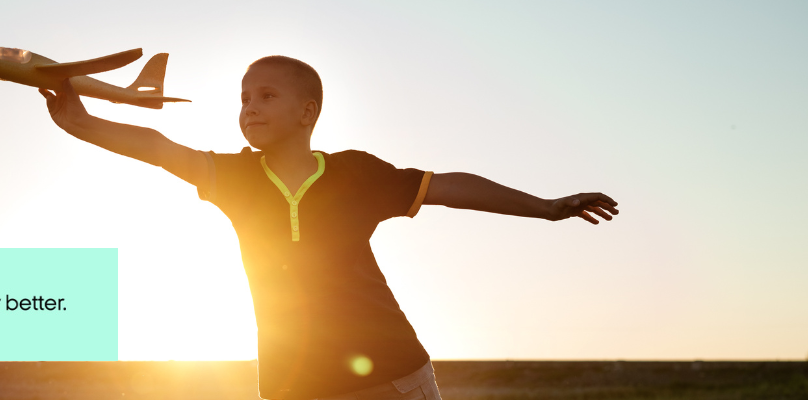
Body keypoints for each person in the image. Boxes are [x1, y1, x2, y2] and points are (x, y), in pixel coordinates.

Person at [38, 55, 619, 400]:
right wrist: (80, 121)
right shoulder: (232, 178)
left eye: (266, 95)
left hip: (392, 374)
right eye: (243, 98)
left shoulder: (357, 174)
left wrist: (545, 206)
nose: (250, 107)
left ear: (308, 111)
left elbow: (452, 186)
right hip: (296, 386)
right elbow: (159, 147)